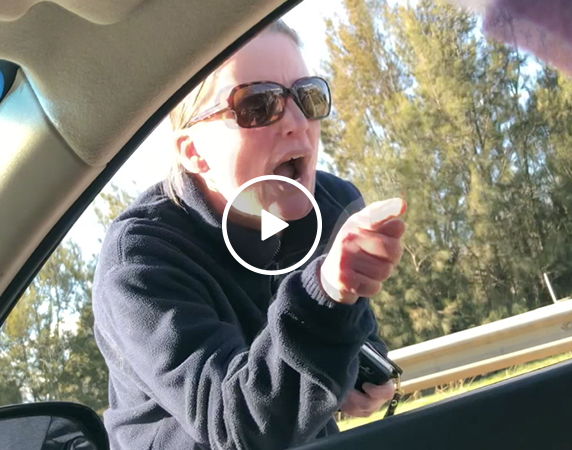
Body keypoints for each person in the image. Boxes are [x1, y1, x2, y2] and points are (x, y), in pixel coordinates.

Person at [92, 20, 406, 450]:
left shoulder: (332, 207)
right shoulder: (141, 259)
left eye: (308, 96)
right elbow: (237, 426)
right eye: (257, 105)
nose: (297, 122)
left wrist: (352, 368)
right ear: (194, 152)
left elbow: (351, 336)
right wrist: (326, 291)